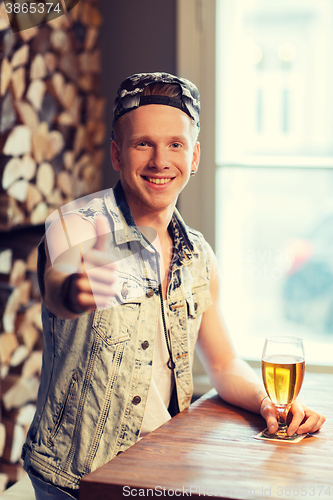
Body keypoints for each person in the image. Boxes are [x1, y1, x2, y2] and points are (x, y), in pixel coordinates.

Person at [22, 73, 325, 500]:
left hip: (157, 470)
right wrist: (73, 291)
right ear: (117, 153)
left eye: (175, 145)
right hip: (75, 483)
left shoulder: (197, 254)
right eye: (143, 143)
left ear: (194, 156)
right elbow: (60, 288)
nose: (160, 160)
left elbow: (221, 365)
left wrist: (267, 403)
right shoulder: (77, 225)